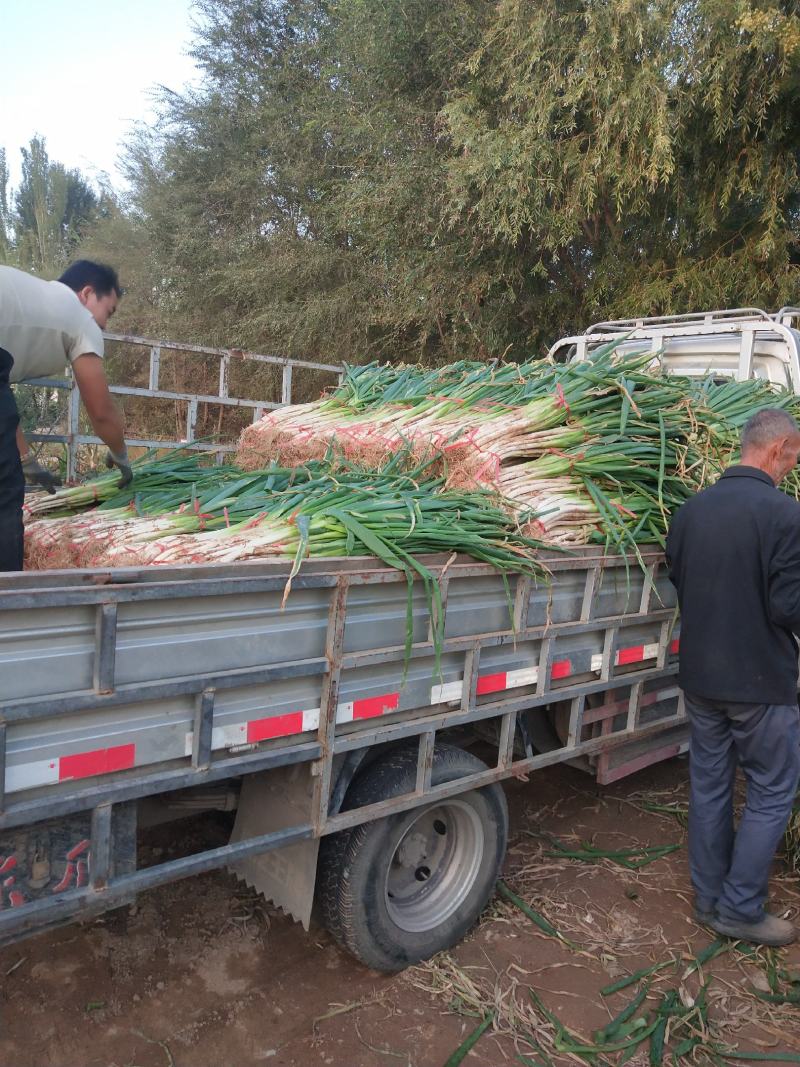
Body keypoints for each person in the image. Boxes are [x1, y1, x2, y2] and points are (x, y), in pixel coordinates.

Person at [666, 407, 800, 947]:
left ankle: (707, 896)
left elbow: (680, 578)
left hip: (701, 677)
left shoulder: (690, 511)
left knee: (710, 784)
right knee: (771, 789)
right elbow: (788, 607)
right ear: (776, 450)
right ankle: (740, 909)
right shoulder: (784, 515)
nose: (792, 467)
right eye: (793, 457)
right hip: (759, 683)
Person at [0, 260, 131, 571]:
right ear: (86, 294)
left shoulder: (31, 299)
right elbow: (100, 412)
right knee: (4, 496)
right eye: (108, 312)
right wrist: (122, 456)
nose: (106, 324)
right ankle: (9, 604)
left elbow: (4, 409)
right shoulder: (81, 319)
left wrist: (24, 460)